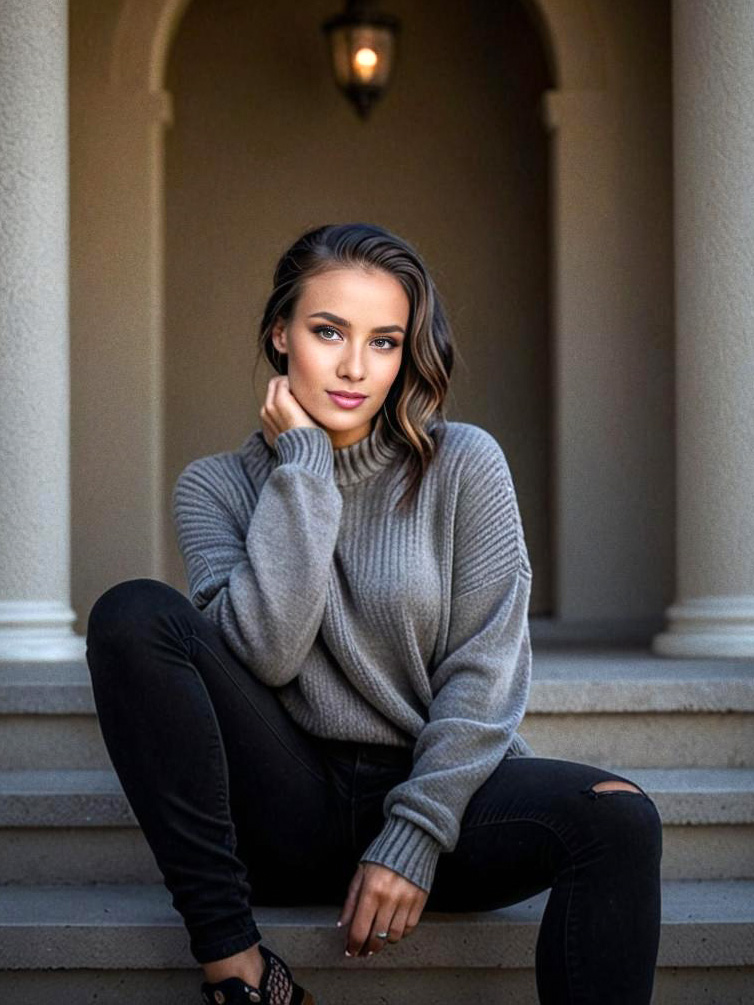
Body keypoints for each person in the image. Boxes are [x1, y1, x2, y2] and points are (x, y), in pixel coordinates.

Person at [85, 222, 663, 1005]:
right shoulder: (216, 487)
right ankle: (238, 969)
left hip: (436, 797)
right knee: (131, 613)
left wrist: (415, 833)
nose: (357, 366)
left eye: (385, 341)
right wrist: (305, 469)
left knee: (622, 821)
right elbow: (268, 652)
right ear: (280, 335)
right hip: (283, 798)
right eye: (329, 332)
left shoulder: (464, 463)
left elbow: (485, 670)